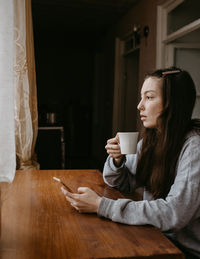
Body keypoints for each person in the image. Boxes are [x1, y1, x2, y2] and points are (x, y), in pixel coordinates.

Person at [61, 67, 200, 258]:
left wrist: (101, 205)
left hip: (185, 251)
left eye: (149, 97)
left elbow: (174, 213)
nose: (140, 106)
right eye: (141, 97)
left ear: (172, 103)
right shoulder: (151, 140)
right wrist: (117, 160)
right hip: (156, 235)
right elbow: (122, 183)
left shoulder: (194, 147)